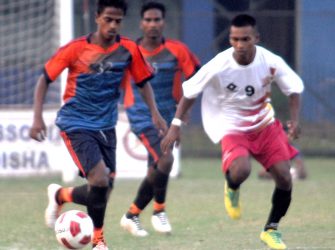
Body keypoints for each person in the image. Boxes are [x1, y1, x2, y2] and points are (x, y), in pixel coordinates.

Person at [29, 0, 167, 249]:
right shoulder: (75, 49)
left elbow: (143, 81)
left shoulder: (128, 49)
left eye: (117, 21)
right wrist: (37, 117)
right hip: (76, 123)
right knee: (101, 181)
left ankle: (61, 195)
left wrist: (155, 113)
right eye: (108, 19)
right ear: (97, 17)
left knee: (103, 189)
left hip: (106, 125)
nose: (112, 25)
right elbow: (44, 78)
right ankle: (98, 240)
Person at [161, 14, 304, 250]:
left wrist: (295, 120)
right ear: (230, 39)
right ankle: (232, 186)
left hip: (265, 125)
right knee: (241, 171)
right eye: (234, 39)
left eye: (245, 39)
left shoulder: (270, 61)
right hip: (231, 126)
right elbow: (190, 90)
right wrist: (175, 126)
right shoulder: (220, 63)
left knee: (285, 177)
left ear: (256, 38)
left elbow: (294, 88)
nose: (239, 45)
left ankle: (271, 230)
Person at [119, 1, 200, 237]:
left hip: (169, 115)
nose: (152, 24)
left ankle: (145, 214)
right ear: (141, 23)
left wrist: (182, 112)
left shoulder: (177, 50)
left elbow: (196, 78)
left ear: (164, 22)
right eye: (148, 20)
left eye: (157, 20)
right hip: (140, 113)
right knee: (165, 160)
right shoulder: (128, 51)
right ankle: (143, 213)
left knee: (156, 166)